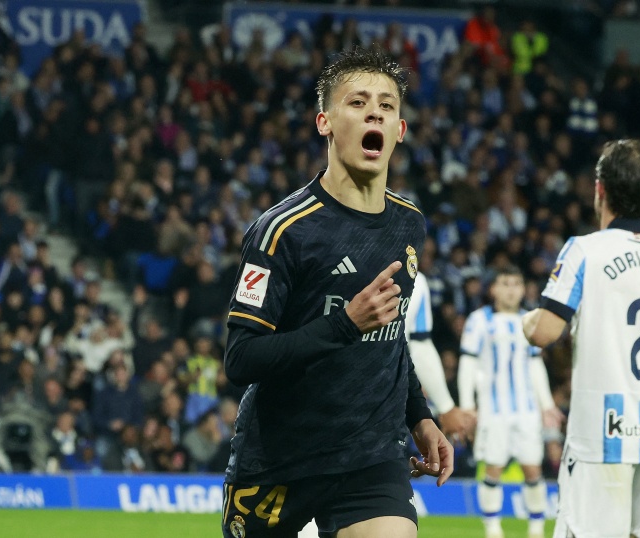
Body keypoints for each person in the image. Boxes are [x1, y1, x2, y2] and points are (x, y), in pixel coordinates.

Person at [221, 47, 453, 538]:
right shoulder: (282, 231)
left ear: (399, 130)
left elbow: (390, 338)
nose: (374, 113)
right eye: (358, 102)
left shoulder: (409, 224)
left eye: (386, 106)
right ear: (324, 122)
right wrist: (345, 324)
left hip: (370, 459)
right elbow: (241, 359)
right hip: (280, 460)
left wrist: (420, 417)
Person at [522, 139, 640, 538]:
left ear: (600, 189)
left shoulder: (585, 251)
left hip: (600, 435)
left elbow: (544, 332)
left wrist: (526, 321)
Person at [458, 266, 562, 538]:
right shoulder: (479, 320)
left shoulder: (530, 320)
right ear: (493, 289)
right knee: (493, 468)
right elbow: (467, 363)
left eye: (516, 283)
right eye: (505, 283)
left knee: (533, 468)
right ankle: (493, 529)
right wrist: (467, 404)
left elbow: (535, 364)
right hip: (493, 410)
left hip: (526, 410)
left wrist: (546, 404)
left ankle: (536, 530)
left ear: (523, 288)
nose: (511, 290)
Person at [406, 271, 476, 439]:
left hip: (385, 402)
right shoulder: (416, 279)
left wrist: (446, 407)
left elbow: (419, 346)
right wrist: (446, 407)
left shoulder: (417, 280)